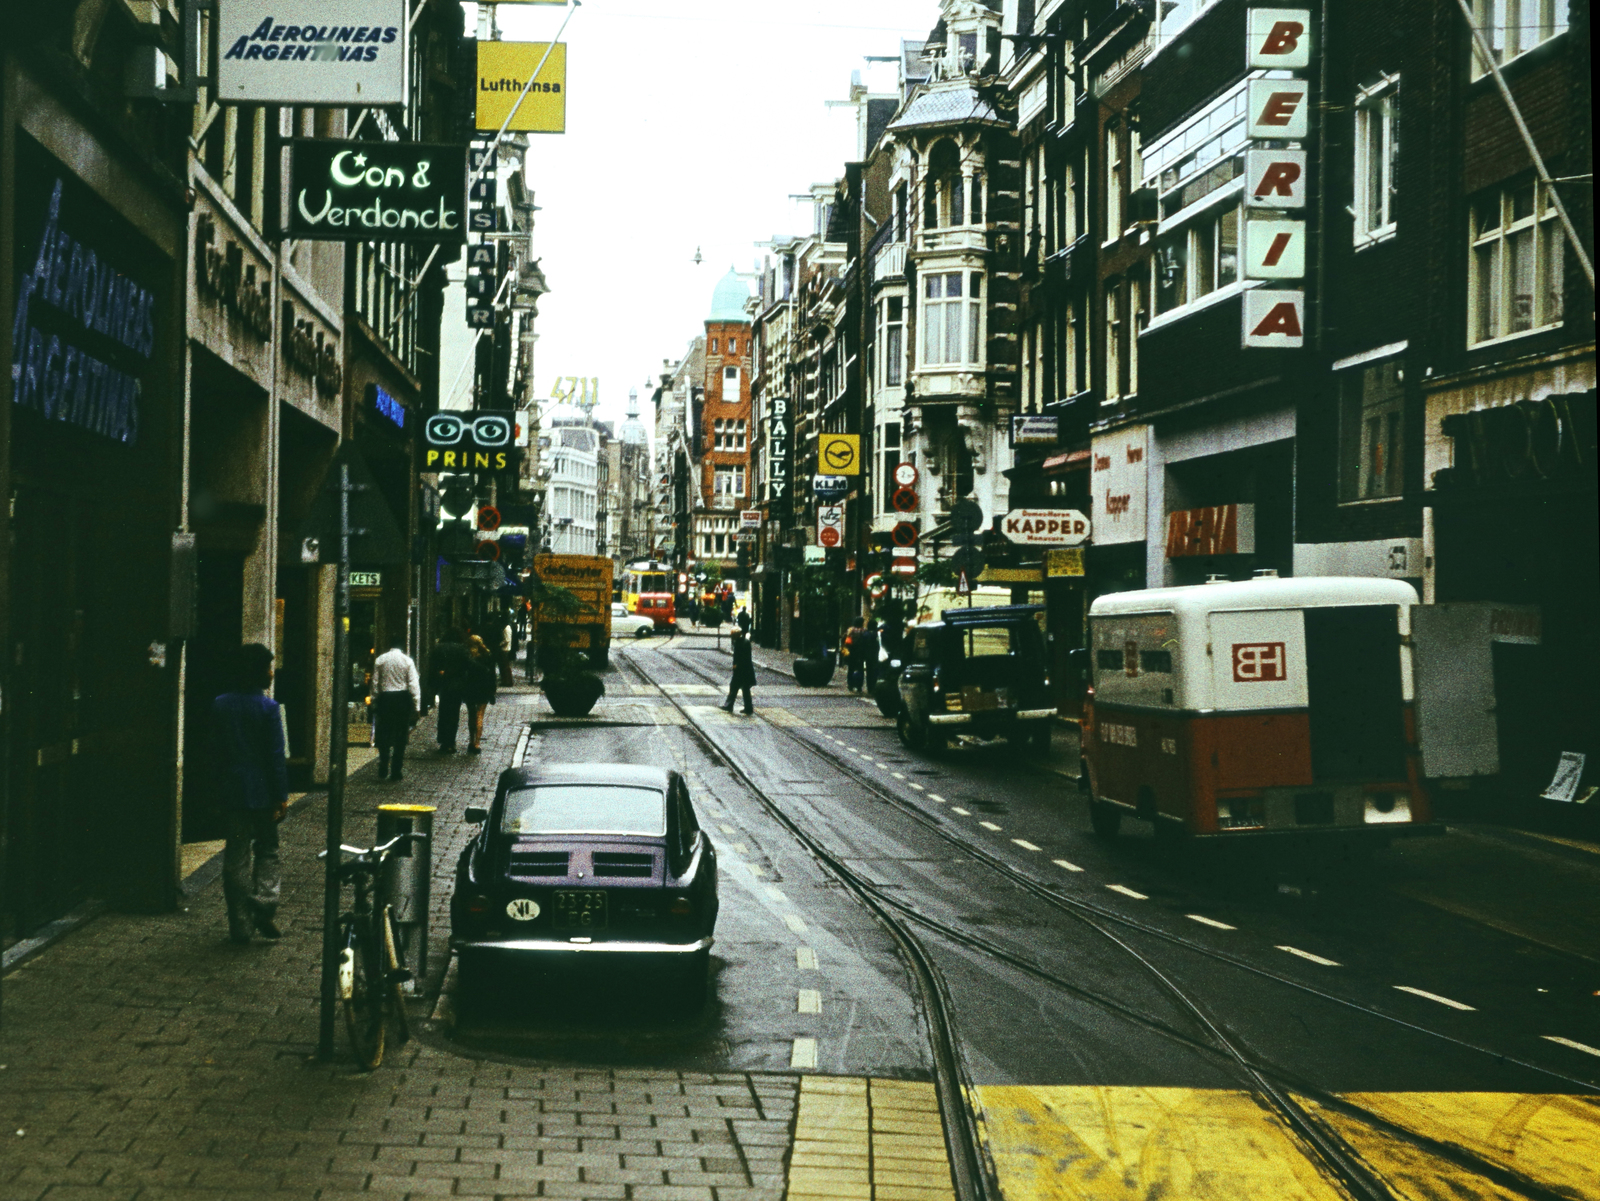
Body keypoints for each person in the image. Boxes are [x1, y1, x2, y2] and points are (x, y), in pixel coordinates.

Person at [212, 643, 289, 944]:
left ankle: (240, 925)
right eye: (268, 667)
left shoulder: (220, 704)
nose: (272, 672)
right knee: (268, 849)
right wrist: (281, 795)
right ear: (259, 672)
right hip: (263, 792)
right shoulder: (269, 709)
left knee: (236, 855)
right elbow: (275, 756)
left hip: (233, 791)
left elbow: (215, 752)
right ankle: (264, 904)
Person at [371, 635, 421, 782]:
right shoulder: (407, 661)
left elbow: (375, 683)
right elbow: (413, 684)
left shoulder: (380, 659)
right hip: (401, 699)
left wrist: (374, 699)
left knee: (384, 732)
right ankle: (396, 770)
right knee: (401, 734)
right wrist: (416, 705)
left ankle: (384, 760)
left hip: (385, 698)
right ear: (402, 647)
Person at [428, 629, 472, 752]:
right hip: (457, 685)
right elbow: (467, 665)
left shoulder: (438, 648)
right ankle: (451, 742)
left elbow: (432, 666)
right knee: (454, 714)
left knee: (443, 712)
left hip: (443, 685)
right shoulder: (462, 649)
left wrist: (433, 684)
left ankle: (443, 740)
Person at [464, 633, 498, 753]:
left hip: (470, 688)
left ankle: (471, 740)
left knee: (471, 715)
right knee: (480, 716)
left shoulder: (467, 657)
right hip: (484, 688)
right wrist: (493, 690)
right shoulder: (488, 656)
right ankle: (477, 743)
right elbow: (493, 675)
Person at [721, 628, 756, 715]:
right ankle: (748, 708)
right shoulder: (746, 642)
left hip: (740, 670)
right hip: (747, 670)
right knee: (745, 689)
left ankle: (729, 705)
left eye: (732, 635)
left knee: (733, 687)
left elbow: (738, 657)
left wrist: (735, 665)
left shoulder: (738, 643)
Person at [859, 619, 882, 693]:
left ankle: (870, 687)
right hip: (876, 654)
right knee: (875, 671)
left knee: (869, 672)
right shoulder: (877, 634)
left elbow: (862, 645)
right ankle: (873, 686)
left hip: (867, 655)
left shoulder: (865, 634)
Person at [843, 618, 866, 693]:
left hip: (851, 651)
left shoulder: (850, 630)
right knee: (860, 668)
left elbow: (844, 638)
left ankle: (850, 684)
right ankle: (859, 685)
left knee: (851, 668)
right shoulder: (864, 630)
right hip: (861, 652)